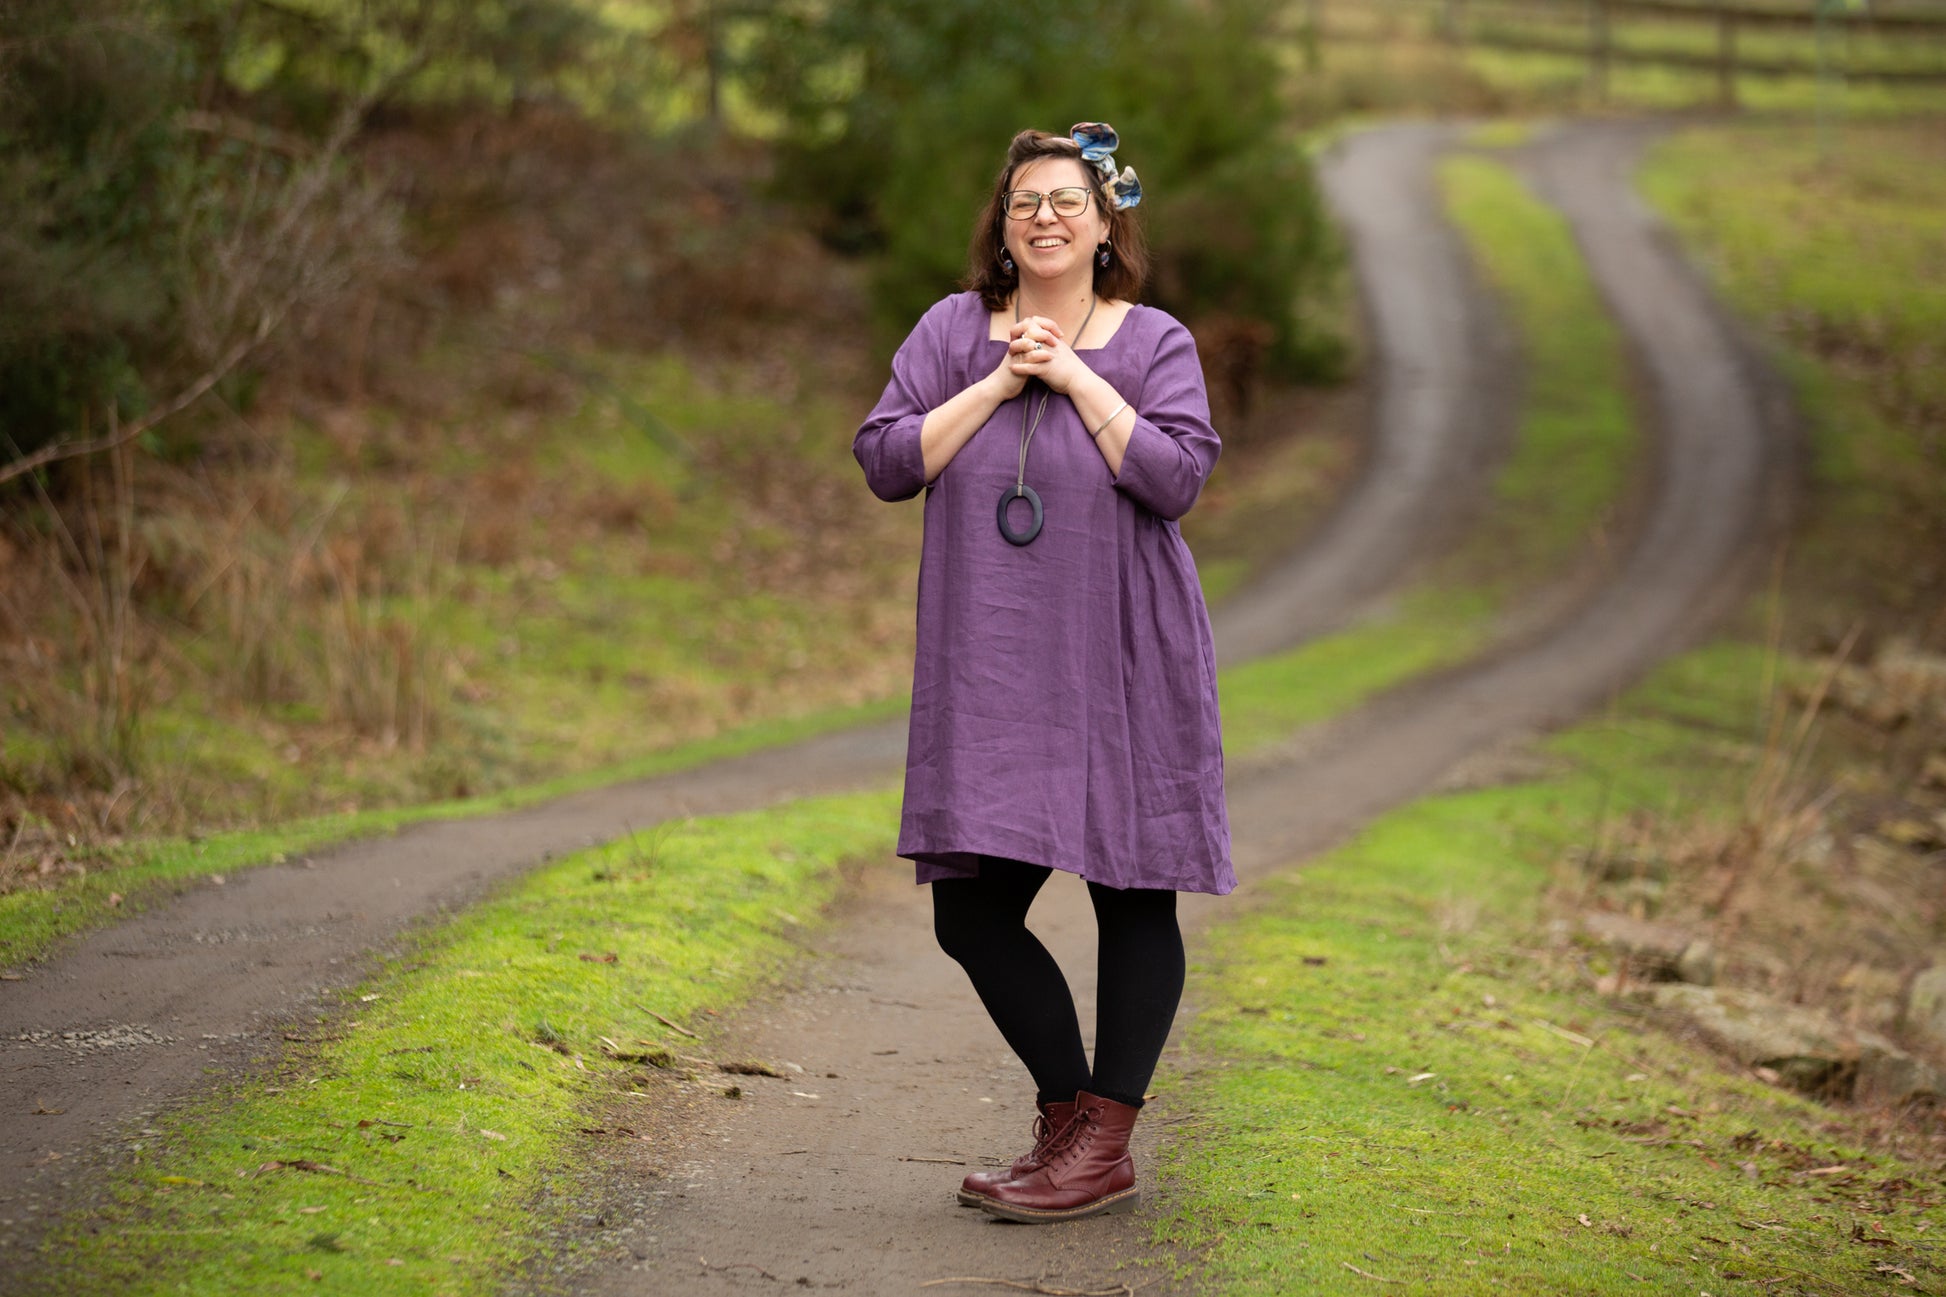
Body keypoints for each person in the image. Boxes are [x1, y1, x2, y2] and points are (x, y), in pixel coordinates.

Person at [853, 122, 1233, 1224]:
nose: (1045, 218)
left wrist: (1072, 375)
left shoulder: (1153, 341)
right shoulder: (947, 331)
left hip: (1120, 658)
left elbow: (1172, 479)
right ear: (1001, 224)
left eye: (1068, 201)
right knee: (969, 912)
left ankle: (1100, 1139)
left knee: (1129, 888)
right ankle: (1069, 1121)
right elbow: (885, 460)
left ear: (1106, 225)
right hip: (994, 668)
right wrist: (994, 383)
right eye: (1025, 202)